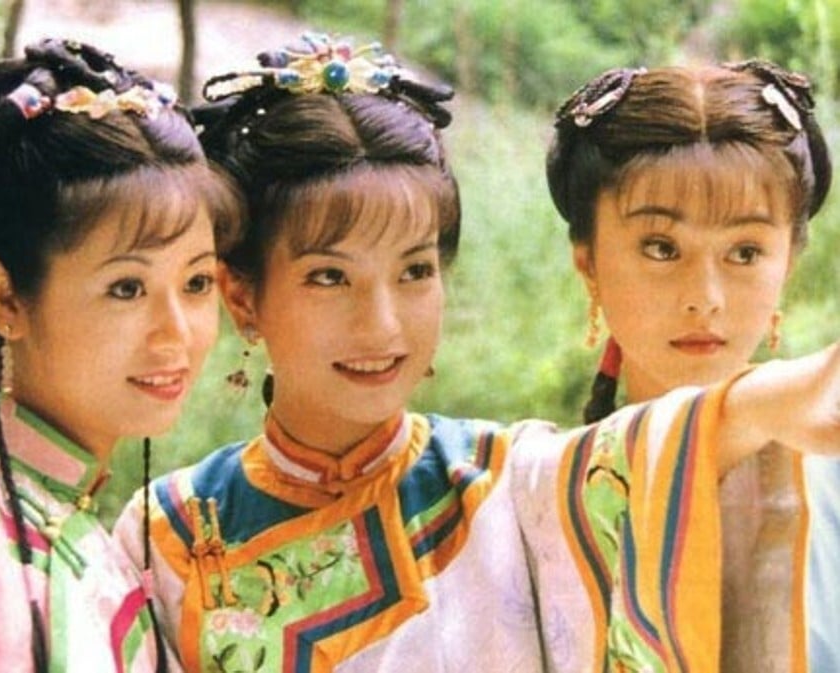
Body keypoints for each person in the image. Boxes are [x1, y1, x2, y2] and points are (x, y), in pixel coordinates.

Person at [114, 34, 840, 672]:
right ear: (243, 296)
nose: (383, 322)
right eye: (330, 276)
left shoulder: (507, 481)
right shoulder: (171, 530)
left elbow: (654, 452)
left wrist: (775, 394)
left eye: (415, 270)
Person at [0, 38, 241, 672]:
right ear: (6, 296)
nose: (175, 331)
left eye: (197, 283)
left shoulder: (110, 556)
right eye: (127, 288)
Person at [546, 61, 839, 671]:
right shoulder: (534, 494)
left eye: (745, 251)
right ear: (588, 264)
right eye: (661, 247)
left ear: (787, 265)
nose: (704, 295)